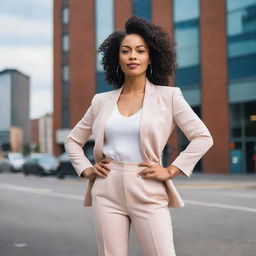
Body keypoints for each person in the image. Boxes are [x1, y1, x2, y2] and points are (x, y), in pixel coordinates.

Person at [64, 15, 213, 256]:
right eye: (126, 51)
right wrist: (85, 168)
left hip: (147, 184)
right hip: (107, 188)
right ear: (117, 58)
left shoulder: (170, 97)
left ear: (150, 56)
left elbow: (203, 137)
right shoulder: (101, 101)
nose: (133, 56)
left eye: (140, 51)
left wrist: (171, 170)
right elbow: (72, 140)